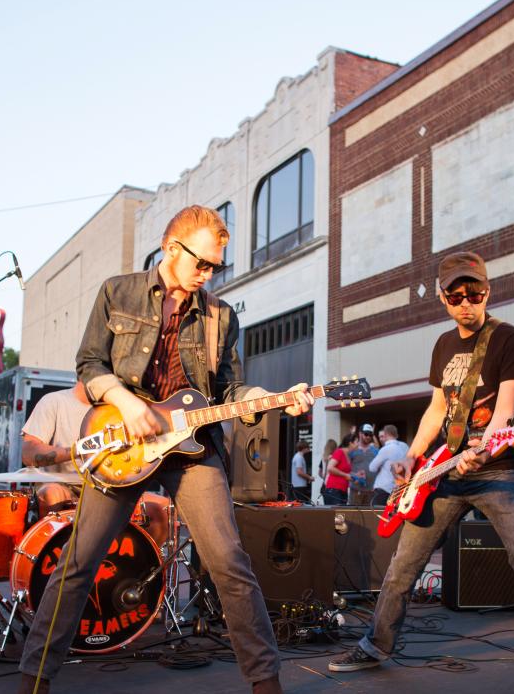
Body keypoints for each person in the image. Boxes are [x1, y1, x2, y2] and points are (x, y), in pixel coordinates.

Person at [17, 205, 314, 694]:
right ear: (172, 248)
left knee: (229, 561)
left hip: (193, 450)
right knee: (79, 563)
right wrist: (124, 401)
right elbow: (89, 363)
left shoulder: (221, 316)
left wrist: (260, 401)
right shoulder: (118, 291)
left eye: (216, 267)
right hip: (124, 444)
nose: (209, 273)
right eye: (203, 263)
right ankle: (34, 681)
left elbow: (227, 392)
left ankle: (266, 684)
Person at [329, 251, 514, 693]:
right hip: (445, 472)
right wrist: (414, 455)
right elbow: (438, 408)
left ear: (488, 292)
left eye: (474, 293)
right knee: (403, 565)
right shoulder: (442, 345)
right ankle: (376, 645)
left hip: (498, 471)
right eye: (456, 296)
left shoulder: (511, 341)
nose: (466, 303)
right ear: (443, 298)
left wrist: (482, 452)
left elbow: (507, 411)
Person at [19, 383, 90, 515]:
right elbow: (28, 453)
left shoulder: (121, 408)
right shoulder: (54, 401)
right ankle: (55, 534)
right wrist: (79, 449)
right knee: (52, 493)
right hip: (62, 486)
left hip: (107, 489)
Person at [367, 424, 408, 507]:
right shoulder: (404, 447)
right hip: (397, 490)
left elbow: (372, 468)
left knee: (376, 517)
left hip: (383, 488)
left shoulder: (386, 449)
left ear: (385, 434)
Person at [322, 433, 358, 506]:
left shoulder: (348, 455)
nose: (358, 444)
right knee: (338, 516)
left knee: (340, 515)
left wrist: (356, 476)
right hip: (334, 490)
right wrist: (345, 475)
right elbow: (330, 468)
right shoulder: (339, 452)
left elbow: (345, 472)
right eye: (357, 442)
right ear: (350, 443)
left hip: (342, 490)